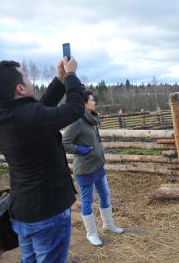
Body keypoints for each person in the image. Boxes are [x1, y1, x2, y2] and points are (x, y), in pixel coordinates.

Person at [0, 57, 85, 262]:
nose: (29, 80)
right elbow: (76, 108)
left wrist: (59, 81)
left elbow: (37, 111)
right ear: (20, 89)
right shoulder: (32, 116)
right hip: (48, 213)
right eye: (26, 77)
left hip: (22, 211)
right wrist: (70, 75)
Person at [62, 91, 123, 246]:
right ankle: (91, 233)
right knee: (87, 200)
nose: (94, 102)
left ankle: (108, 225)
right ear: (84, 103)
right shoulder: (77, 122)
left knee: (105, 193)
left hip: (98, 166)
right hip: (85, 169)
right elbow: (65, 143)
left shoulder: (91, 119)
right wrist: (82, 150)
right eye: (91, 100)